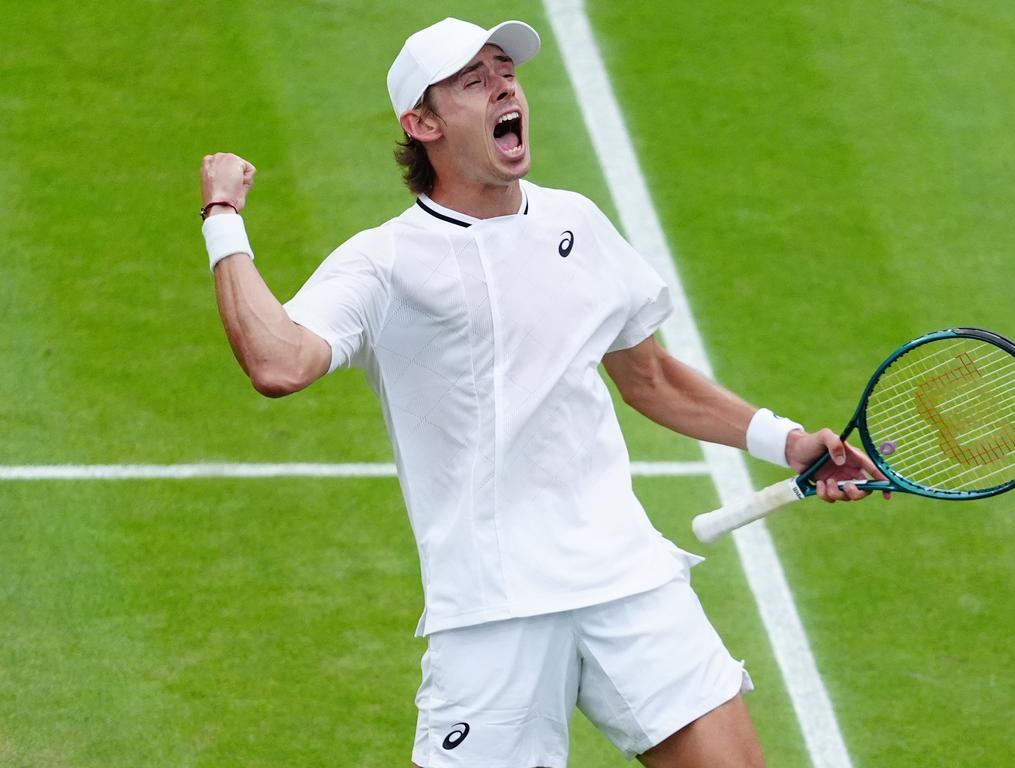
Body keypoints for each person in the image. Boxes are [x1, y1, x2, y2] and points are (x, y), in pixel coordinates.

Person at [198, 17, 882, 768]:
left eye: (504, 70)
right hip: (493, 612)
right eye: (471, 80)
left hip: (624, 578)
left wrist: (787, 442)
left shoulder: (576, 224)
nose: (502, 84)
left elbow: (648, 377)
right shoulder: (385, 263)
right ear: (421, 124)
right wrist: (224, 218)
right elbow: (278, 362)